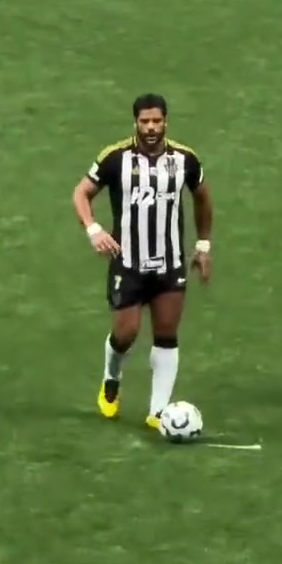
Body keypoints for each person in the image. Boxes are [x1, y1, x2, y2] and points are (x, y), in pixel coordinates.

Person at [72, 93, 213, 429]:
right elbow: (81, 193)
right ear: (135, 122)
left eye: (157, 121)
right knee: (126, 333)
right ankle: (111, 379)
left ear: (166, 122)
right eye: (145, 121)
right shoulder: (115, 158)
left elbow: (203, 199)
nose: (151, 127)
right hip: (128, 263)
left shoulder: (185, 159)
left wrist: (203, 245)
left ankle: (158, 412)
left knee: (167, 333)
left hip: (170, 263)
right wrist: (93, 229)